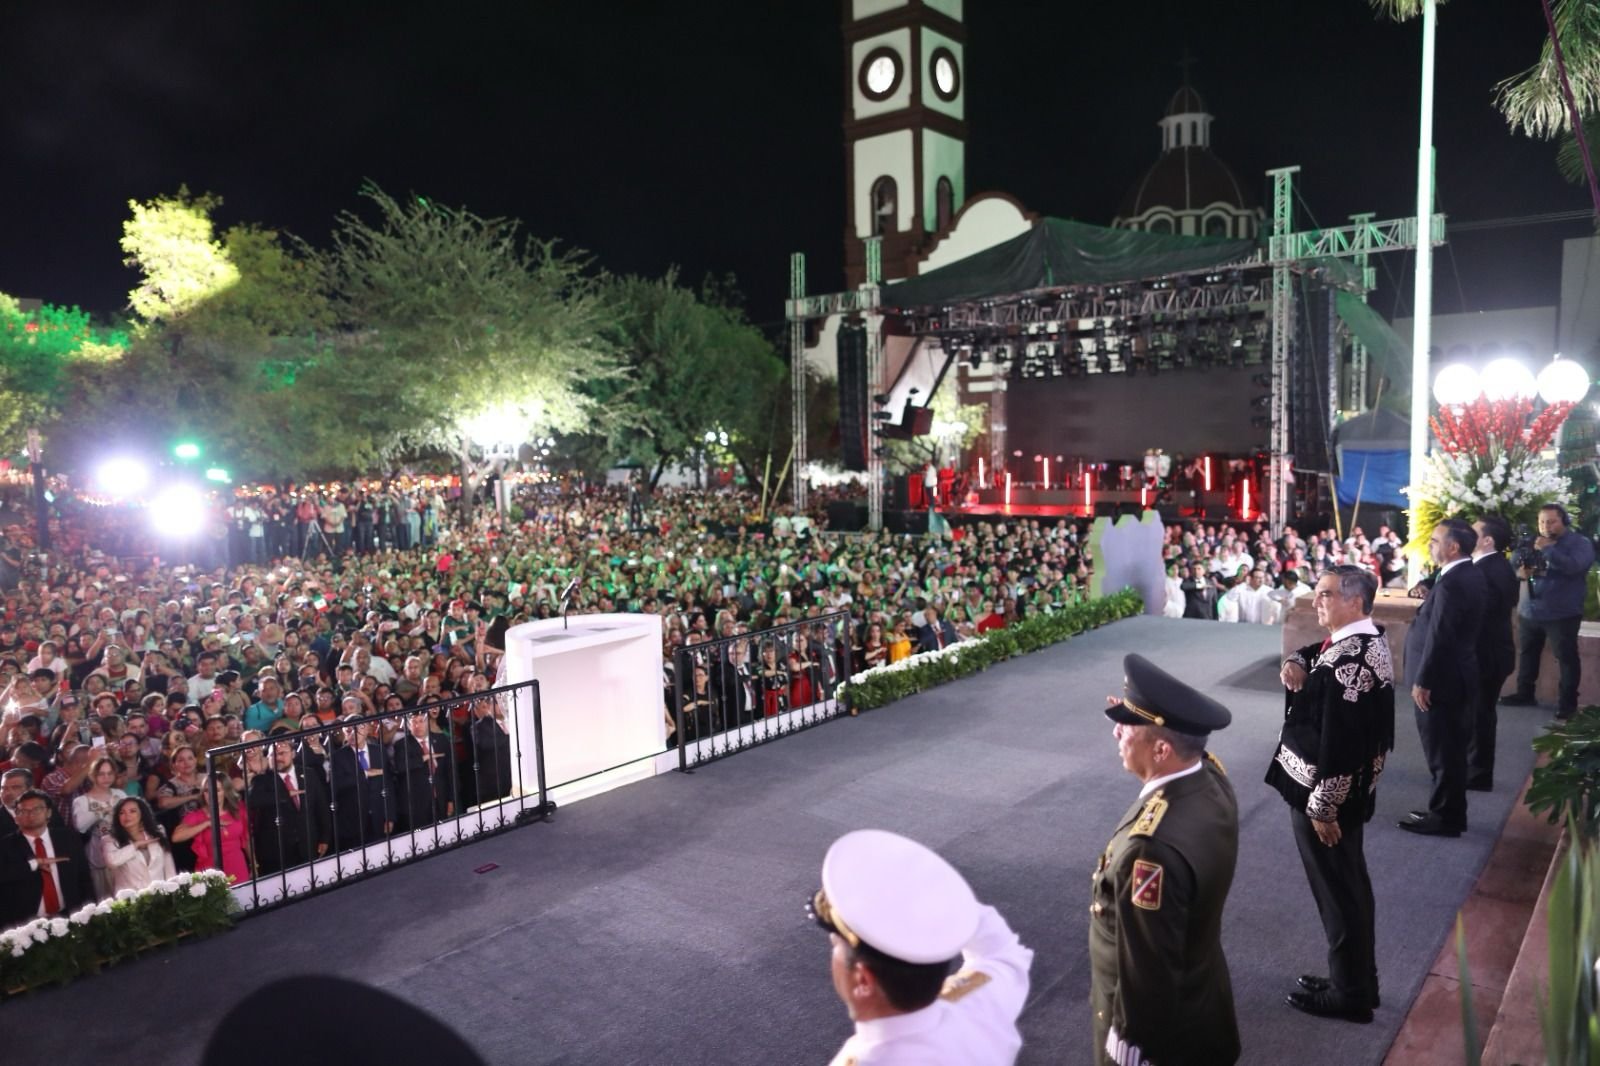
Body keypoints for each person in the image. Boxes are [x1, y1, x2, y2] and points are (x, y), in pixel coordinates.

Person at [1091, 653, 1238, 1066]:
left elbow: (1149, 976)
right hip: (1202, 999)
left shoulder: (1149, 850)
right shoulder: (1211, 779)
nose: (1117, 731)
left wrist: (1131, 1050)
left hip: (1161, 1039)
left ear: (1161, 749)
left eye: (1126, 726)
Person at [1270, 565, 1395, 1022]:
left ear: (1355, 601)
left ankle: (1350, 994)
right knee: (1346, 888)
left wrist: (1323, 808)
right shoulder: (1359, 640)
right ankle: (1356, 979)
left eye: (1325, 594)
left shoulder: (1353, 662)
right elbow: (1319, 652)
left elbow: (1345, 745)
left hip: (1328, 801)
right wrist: (1296, 660)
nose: (1316, 600)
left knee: (1339, 893)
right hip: (1336, 795)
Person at [807, 828, 1032, 1065]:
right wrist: (926, 902)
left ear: (863, 980)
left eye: (836, 945)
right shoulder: (976, 1006)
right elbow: (1002, 953)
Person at [1401, 518, 1487, 837]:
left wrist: (1423, 680)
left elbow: (1441, 635)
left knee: (1443, 752)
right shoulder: (1467, 574)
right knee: (1449, 750)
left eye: (1435, 541)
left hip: (1442, 680)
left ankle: (1444, 818)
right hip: (1455, 674)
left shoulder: (1454, 582)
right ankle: (1449, 812)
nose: (1430, 545)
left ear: (1453, 547)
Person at [1502, 503, 1595, 720]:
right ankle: (1525, 693)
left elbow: (1575, 566)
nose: (1545, 526)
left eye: (1551, 522)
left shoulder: (1579, 543)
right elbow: (1514, 561)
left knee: (1566, 658)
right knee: (1527, 654)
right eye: (1542, 522)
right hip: (1530, 610)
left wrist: (1548, 549)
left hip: (1562, 613)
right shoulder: (1533, 541)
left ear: (1564, 521)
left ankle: (1567, 703)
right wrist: (1519, 571)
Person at [1469, 516, 1519, 791]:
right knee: (1477, 713)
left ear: (1488, 540)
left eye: (1473, 532)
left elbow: (1483, 611)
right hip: (1487, 653)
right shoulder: (1488, 566)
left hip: (1487, 654)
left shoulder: (1492, 569)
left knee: (1480, 715)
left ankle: (1478, 773)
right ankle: (1472, 769)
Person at [0, 789, 95, 926]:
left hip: (70, 916)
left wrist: (90, 912)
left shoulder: (68, 838)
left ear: (49, 813)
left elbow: (84, 878)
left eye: (37, 809)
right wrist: (33, 864)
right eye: (23, 811)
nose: (30, 814)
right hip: (24, 923)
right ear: (16, 817)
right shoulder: (5, 846)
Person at [102, 796, 177, 893]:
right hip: (131, 898)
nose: (127, 815)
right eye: (122, 813)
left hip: (160, 894)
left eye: (132, 811)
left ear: (142, 814)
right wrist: (135, 845)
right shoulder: (109, 839)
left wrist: (174, 890)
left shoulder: (158, 831)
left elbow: (169, 865)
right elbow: (112, 862)